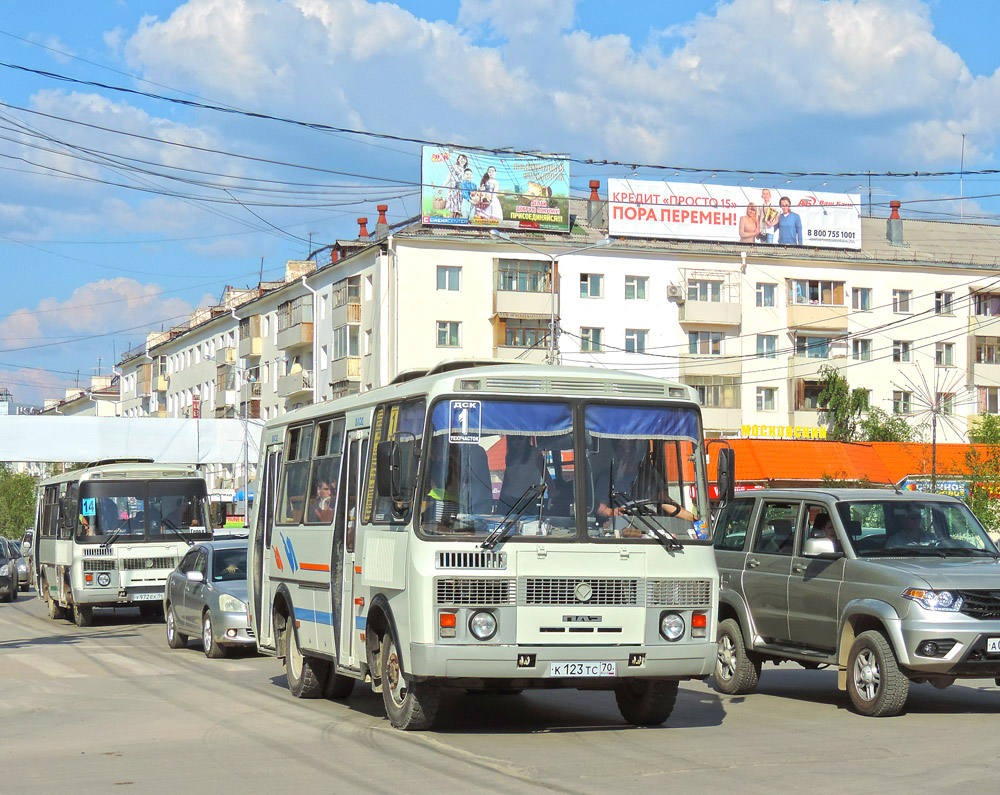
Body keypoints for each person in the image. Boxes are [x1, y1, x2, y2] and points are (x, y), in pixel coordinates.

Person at [595, 439, 697, 535]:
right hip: (621, 530)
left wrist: (694, 519)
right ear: (616, 451)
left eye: (631, 448)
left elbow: (666, 502)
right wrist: (612, 512)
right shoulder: (606, 477)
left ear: (635, 451)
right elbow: (600, 508)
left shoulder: (650, 474)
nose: (627, 452)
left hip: (650, 530)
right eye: (623, 448)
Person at [497, 436, 545, 511]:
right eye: (512, 439)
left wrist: (553, 492)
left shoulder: (535, 454)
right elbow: (506, 480)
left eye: (520, 438)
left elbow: (546, 476)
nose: (516, 441)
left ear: (527, 438)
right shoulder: (510, 455)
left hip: (528, 502)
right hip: (508, 501)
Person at [445, 153, 469, 217]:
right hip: (454, 189)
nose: (463, 160)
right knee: (453, 209)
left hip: (461, 190)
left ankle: (457, 225)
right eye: (461, 159)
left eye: (464, 159)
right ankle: (449, 225)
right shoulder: (454, 166)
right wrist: (443, 186)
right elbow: (449, 176)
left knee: (459, 209)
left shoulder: (465, 170)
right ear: (458, 159)